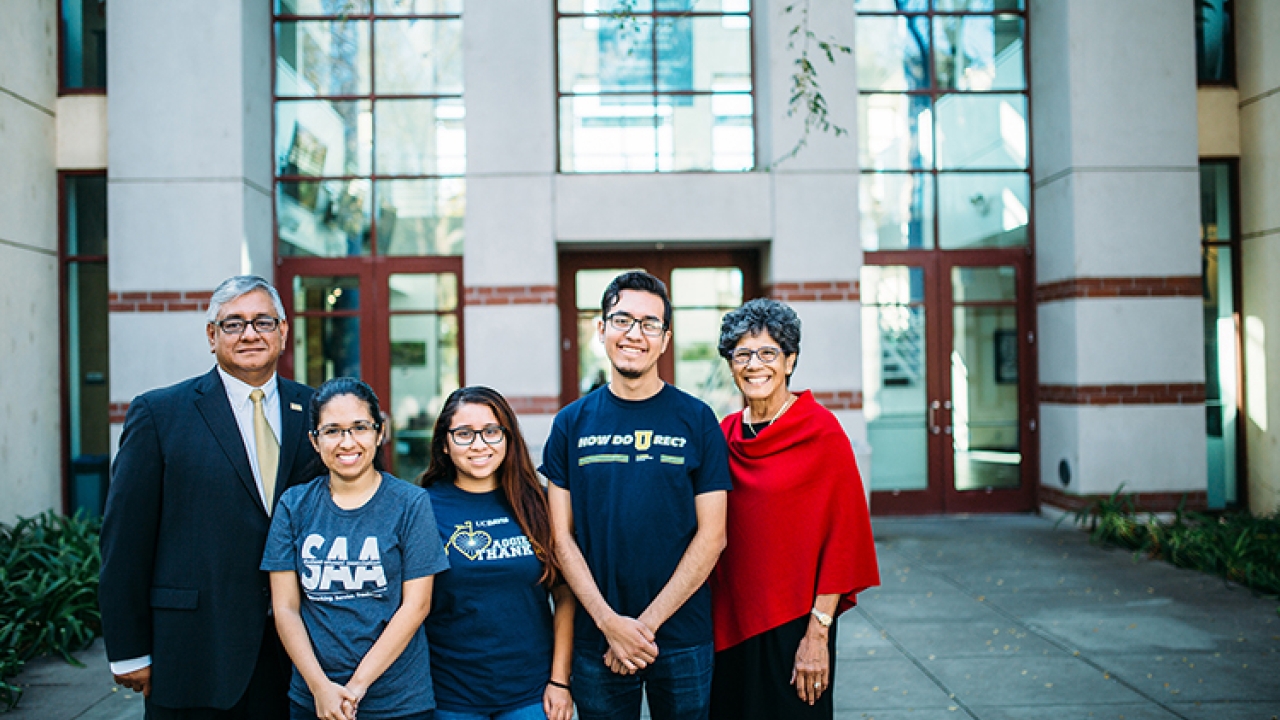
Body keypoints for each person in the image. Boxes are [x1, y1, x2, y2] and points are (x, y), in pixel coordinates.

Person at [100, 275, 323, 718]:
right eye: (233, 324)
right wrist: (128, 649)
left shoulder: (317, 410)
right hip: (193, 651)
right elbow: (124, 540)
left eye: (262, 321)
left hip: (298, 653)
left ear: (283, 331)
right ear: (211, 335)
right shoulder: (160, 413)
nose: (249, 334)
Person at [540, 271, 732, 720]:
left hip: (681, 636)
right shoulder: (570, 424)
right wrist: (610, 624)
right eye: (623, 319)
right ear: (601, 328)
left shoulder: (697, 420)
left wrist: (642, 629)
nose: (634, 334)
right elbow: (560, 537)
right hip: (596, 638)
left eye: (649, 324)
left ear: (665, 340)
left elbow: (713, 536)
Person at [708, 298, 881, 720]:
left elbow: (844, 539)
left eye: (768, 353)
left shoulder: (821, 433)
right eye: (742, 354)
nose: (754, 364)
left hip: (797, 627)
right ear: (731, 364)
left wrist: (818, 634)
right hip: (729, 623)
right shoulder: (724, 433)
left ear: (790, 361)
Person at [262, 377, 449, 720]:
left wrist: (355, 688)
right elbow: (285, 607)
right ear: (314, 441)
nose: (347, 442)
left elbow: (416, 605)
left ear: (380, 433)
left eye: (360, 427)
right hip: (312, 699)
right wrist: (320, 687)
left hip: (397, 701)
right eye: (332, 430)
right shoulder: (294, 505)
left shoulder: (410, 504)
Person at [419, 386, 575, 720]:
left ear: (508, 438)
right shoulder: (422, 507)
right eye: (464, 434)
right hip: (450, 696)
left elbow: (565, 595)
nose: (479, 444)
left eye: (491, 431)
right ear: (444, 443)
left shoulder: (539, 503)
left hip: (531, 693)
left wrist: (560, 681)